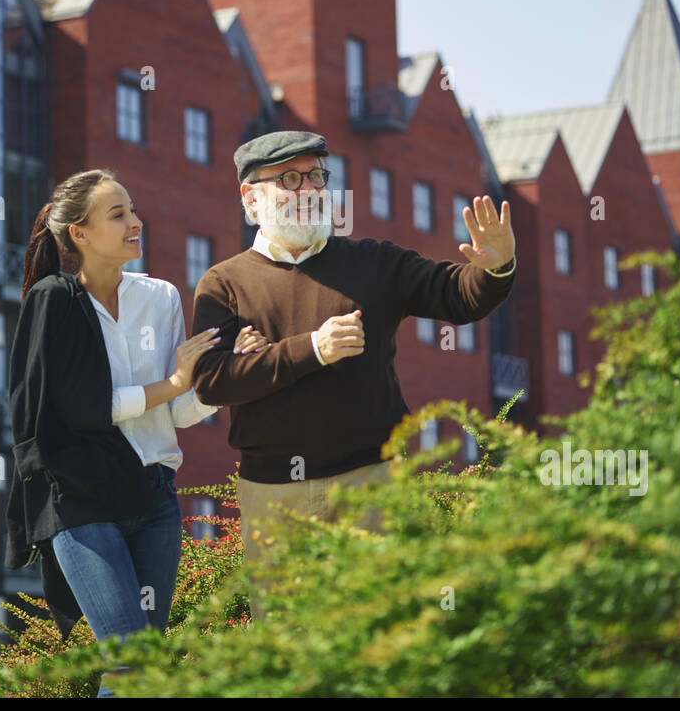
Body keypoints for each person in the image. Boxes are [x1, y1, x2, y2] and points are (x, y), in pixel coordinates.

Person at [190, 131, 516, 619]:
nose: (309, 190)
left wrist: (497, 266)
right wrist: (313, 349)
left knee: (379, 634)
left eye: (317, 177)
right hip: (274, 496)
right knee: (289, 649)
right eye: (290, 180)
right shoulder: (224, 284)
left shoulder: (375, 262)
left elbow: (457, 295)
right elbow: (212, 381)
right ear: (251, 197)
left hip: (372, 482)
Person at [3, 168, 265, 696]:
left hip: (155, 497)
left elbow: (183, 412)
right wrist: (171, 382)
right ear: (79, 233)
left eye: (133, 210)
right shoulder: (53, 301)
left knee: (143, 670)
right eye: (118, 214)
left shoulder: (161, 297)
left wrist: (229, 371)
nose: (135, 223)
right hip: (83, 501)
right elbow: (83, 409)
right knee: (129, 665)